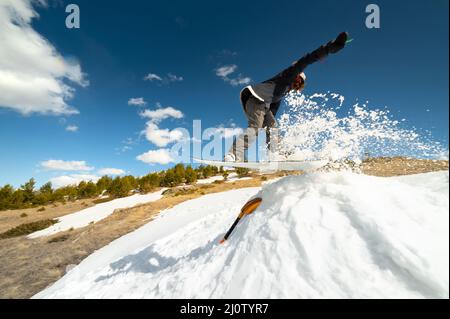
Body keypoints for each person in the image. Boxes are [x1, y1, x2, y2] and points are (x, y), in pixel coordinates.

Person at [224, 32, 349, 162]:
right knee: (255, 128)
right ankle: (232, 154)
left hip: (262, 105)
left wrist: (268, 125)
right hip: (255, 98)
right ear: (297, 76)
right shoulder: (288, 74)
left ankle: (274, 154)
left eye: (300, 84)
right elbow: (306, 60)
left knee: (273, 127)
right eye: (298, 80)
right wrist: (329, 48)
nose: (297, 84)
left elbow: (272, 112)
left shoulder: (283, 91)